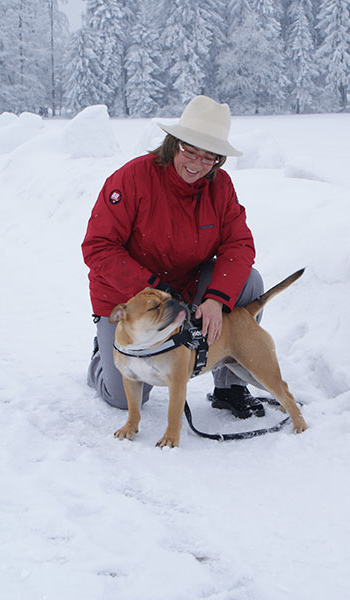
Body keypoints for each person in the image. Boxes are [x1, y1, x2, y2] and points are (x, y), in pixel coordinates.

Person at [82, 95, 265, 419]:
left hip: (187, 285)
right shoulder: (132, 178)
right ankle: (102, 355)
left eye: (209, 157)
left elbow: (239, 246)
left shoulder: (220, 187)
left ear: (219, 160)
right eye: (189, 151)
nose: (196, 164)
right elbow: (99, 247)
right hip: (130, 295)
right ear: (173, 143)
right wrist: (156, 289)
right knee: (122, 398)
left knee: (249, 283)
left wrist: (216, 299)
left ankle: (230, 385)